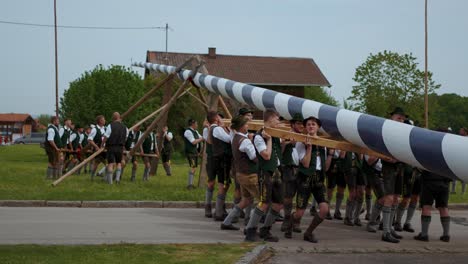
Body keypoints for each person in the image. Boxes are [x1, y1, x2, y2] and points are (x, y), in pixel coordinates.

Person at [284, 116, 332, 243]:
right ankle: (290, 223)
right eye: (308, 124)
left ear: (317, 127)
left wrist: (331, 154)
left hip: (319, 180)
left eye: (313, 124)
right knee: (299, 213)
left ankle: (309, 233)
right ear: (305, 128)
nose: (311, 126)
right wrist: (309, 148)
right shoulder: (300, 142)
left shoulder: (323, 144)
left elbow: (325, 167)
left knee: (324, 210)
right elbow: (305, 163)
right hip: (304, 179)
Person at [244, 109, 283, 242]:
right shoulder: (259, 136)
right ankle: (250, 230)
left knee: (278, 204)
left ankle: (265, 230)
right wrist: (270, 140)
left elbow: (277, 154)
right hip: (265, 172)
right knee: (264, 202)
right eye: (277, 119)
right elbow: (266, 155)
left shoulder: (275, 134)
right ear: (270, 119)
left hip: (276, 172)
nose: (279, 122)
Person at [221, 116, 258, 230]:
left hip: (240, 174)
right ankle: (250, 227)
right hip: (250, 175)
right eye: (246, 124)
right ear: (242, 127)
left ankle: (226, 222)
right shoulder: (245, 141)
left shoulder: (235, 138)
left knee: (246, 200)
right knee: (263, 201)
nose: (248, 126)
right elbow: (254, 157)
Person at [379, 107, 407, 243]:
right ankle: (385, 232)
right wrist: (386, 157)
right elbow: (377, 147)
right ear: (392, 117)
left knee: (396, 198)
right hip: (389, 167)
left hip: (400, 167)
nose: (401, 120)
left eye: (402, 118)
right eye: (398, 117)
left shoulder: (405, 132)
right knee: (389, 198)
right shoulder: (386, 129)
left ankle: (390, 228)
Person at [414, 169, 451, 242]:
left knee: (426, 206)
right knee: (443, 207)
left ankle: (424, 235)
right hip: (444, 180)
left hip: (429, 180)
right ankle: (446, 235)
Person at [280, 113, 303, 233]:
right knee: (288, 197)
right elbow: (280, 152)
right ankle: (286, 219)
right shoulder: (284, 134)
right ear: (293, 124)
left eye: (301, 124)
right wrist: (286, 143)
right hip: (288, 168)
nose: (301, 126)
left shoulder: (304, 137)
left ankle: (296, 221)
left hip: (301, 170)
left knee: (301, 196)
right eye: (298, 123)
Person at [102, 112, 127, 184]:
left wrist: (102, 145)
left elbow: (106, 136)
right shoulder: (125, 127)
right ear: (119, 117)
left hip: (111, 146)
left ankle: (110, 182)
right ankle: (117, 179)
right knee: (119, 163)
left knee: (110, 163)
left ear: (113, 118)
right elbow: (125, 138)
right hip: (120, 147)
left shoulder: (110, 125)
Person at [325, 149, 346, 220]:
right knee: (330, 188)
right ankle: (327, 210)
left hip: (342, 162)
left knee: (341, 188)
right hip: (332, 161)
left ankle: (337, 211)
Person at [183, 118, 204, 189]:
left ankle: (191, 184)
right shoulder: (188, 132)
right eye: (196, 124)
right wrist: (202, 138)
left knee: (194, 168)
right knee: (193, 167)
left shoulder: (195, 132)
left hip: (194, 152)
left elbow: (202, 137)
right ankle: (189, 185)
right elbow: (193, 142)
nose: (197, 125)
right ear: (193, 124)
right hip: (190, 152)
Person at [88, 115, 107, 181]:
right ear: (100, 121)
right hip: (98, 150)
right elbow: (90, 139)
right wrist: (96, 147)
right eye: (103, 119)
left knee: (108, 163)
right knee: (98, 163)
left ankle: (103, 177)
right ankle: (93, 177)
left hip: (104, 149)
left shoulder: (105, 128)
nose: (105, 120)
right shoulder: (95, 129)